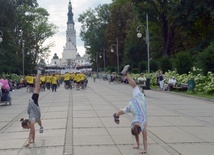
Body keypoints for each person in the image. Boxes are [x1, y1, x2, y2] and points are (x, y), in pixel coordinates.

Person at [113, 65, 148, 154]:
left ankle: (116, 114)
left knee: (135, 87)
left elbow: (138, 134)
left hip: (138, 102)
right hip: (135, 105)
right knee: (125, 110)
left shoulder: (141, 125)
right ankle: (116, 114)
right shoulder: (141, 125)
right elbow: (144, 138)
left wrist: (141, 147)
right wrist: (145, 150)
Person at [20, 59, 45, 147]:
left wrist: (29, 142)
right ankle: (42, 127)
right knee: (39, 119)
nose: (28, 129)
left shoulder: (32, 121)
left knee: (37, 86)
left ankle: (39, 70)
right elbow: (32, 131)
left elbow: (31, 132)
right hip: (34, 108)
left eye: (27, 127)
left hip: (33, 103)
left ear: (28, 124)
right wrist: (33, 141)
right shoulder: (33, 120)